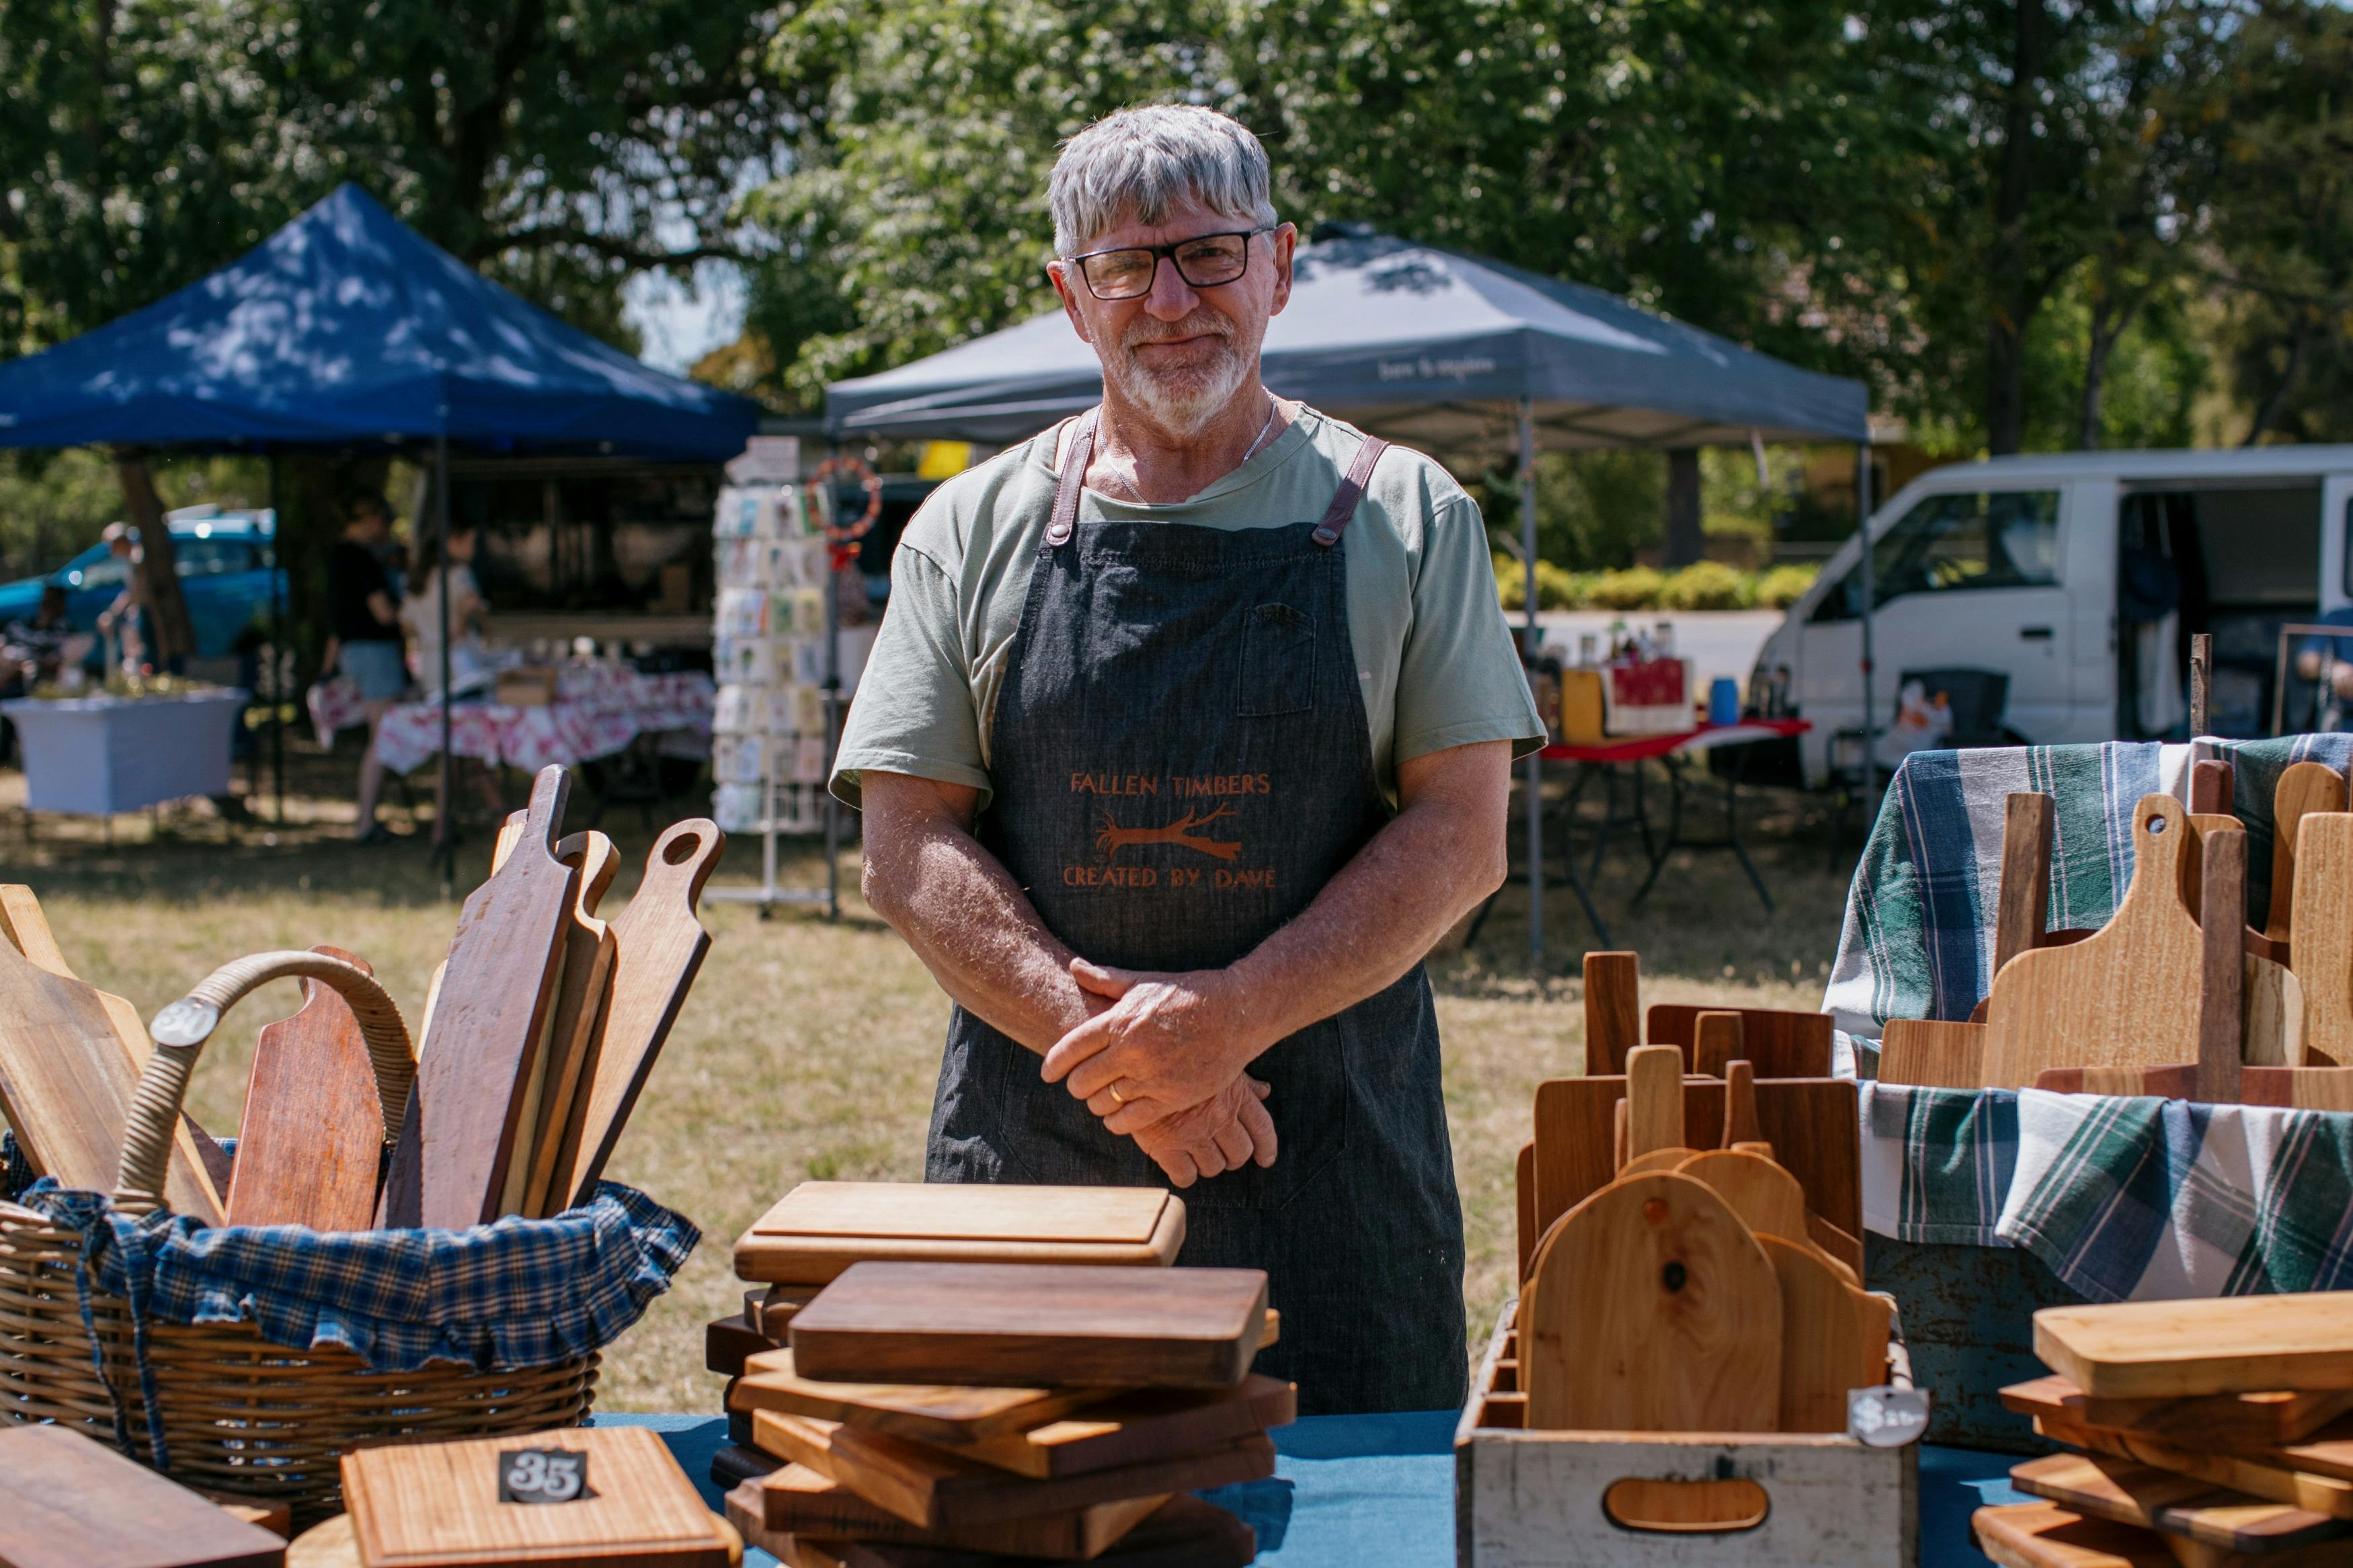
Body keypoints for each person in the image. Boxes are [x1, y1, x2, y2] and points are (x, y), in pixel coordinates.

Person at [834, 105, 1542, 1415]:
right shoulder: (965, 529)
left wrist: (1234, 1016)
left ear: (1279, 264)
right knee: (1034, 1516)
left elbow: (1462, 832)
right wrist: (1121, 1058)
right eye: (1123, 264)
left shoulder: (1405, 513)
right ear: (1069, 294)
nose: (1170, 301)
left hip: (1331, 1169)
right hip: (1042, 1167)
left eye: (1209, 255)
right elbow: (906, 845)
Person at [330, 491, 407, 843]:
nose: (388, 527)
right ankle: (365, 822)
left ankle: (369, 818)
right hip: (375, 653)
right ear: (368, 518)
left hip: (353, 652)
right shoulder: (361, 560)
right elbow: (384, 613)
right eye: (384, 519)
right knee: (382, 738)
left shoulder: (338, 556)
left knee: (380, 736)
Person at [92, 522, 150, 673]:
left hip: (145, 612)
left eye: (111, 545)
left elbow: (135, 592)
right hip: (138, 612)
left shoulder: (137, 559)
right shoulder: (133, 559)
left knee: (142, 654)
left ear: (121, 541)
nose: (110, 551)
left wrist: (112, 614)